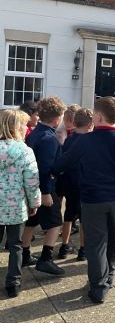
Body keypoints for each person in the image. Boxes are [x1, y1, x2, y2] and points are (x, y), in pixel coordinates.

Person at [53, 97, 115, 303]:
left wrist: (50, 171)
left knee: (96, 243)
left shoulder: (84, 141)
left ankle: (98, 286)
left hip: (92, 200)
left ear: (97, 117)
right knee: (112, 240)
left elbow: (63, 163)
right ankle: (109, 275)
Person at [21, 96, 66, 275]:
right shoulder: (49, 139)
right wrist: (46, 192)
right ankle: (46, 259)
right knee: (55, 223)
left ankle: (24, 254)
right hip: (44, 187)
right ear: (57, 119)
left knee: (32, 221)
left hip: (31, 186)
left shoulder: (34, 133)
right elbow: (45, 168)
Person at [0, 110, 41, 297]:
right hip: (15, 207)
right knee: (15, 245)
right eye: (24, 124)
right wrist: (34, 203)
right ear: (16, 127)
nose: (27, 128)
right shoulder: (25, 151)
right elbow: (31, 182)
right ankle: (13, 283)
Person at [57, 108, 94, 261]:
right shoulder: (91, 141)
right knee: (84, 218)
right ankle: (83, 249)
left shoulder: (69, 140)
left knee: (68, 214)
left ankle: (64, 246)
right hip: (84, 184)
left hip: (69, 182)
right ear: (90, 124)